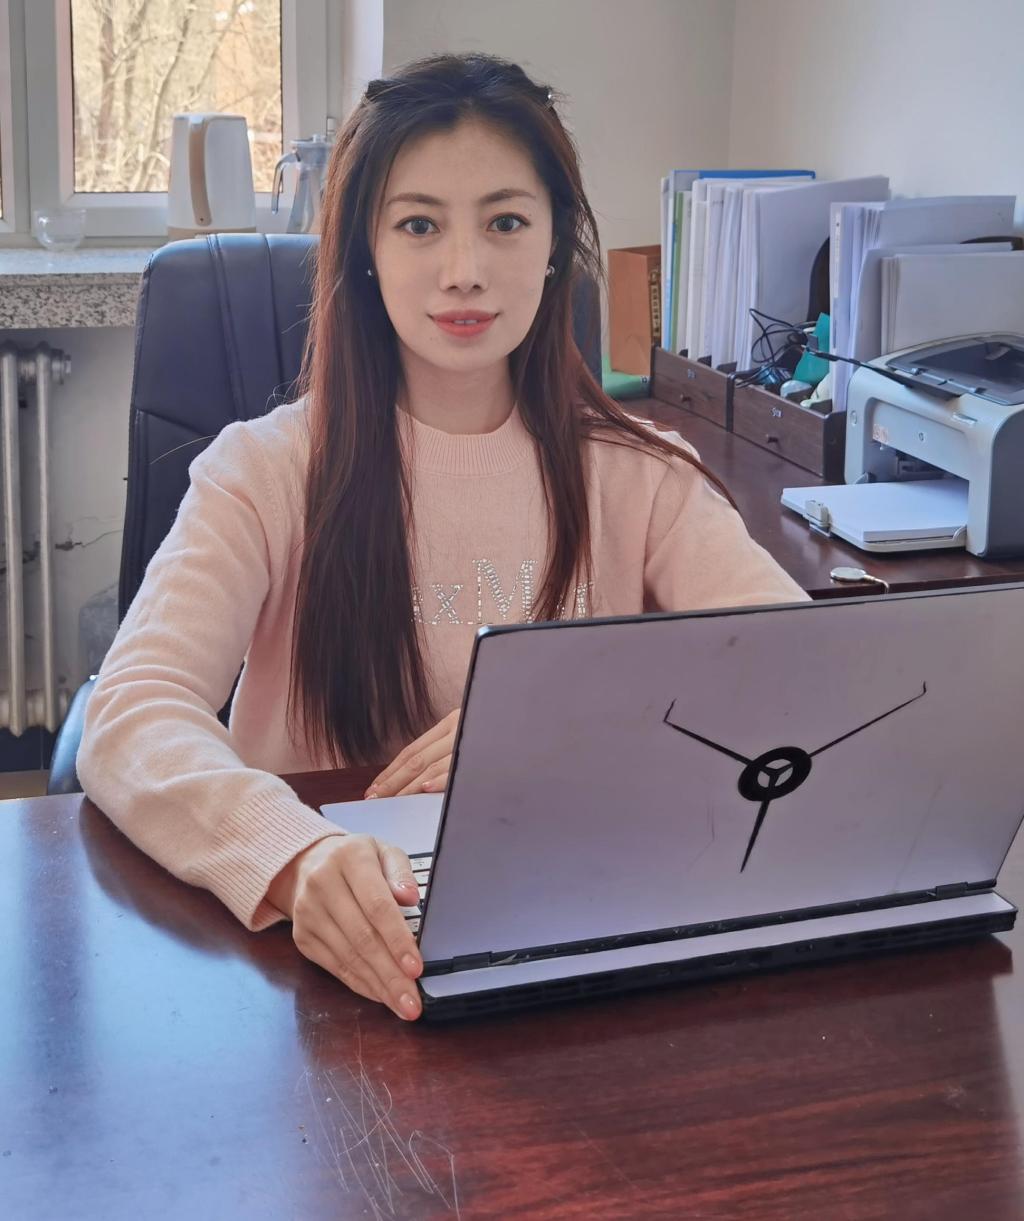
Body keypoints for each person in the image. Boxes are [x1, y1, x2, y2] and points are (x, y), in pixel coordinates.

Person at [77, 52, 807, 1022]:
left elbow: (801, 669)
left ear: (555, 246)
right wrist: (293, 854)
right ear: (366, 251)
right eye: (419, 224)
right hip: (325, 958)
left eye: (505, 222)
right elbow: (132, 712)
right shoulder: (264, 470)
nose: (465, 270)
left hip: (581, 928)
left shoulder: (643, 473)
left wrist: (560, 724)